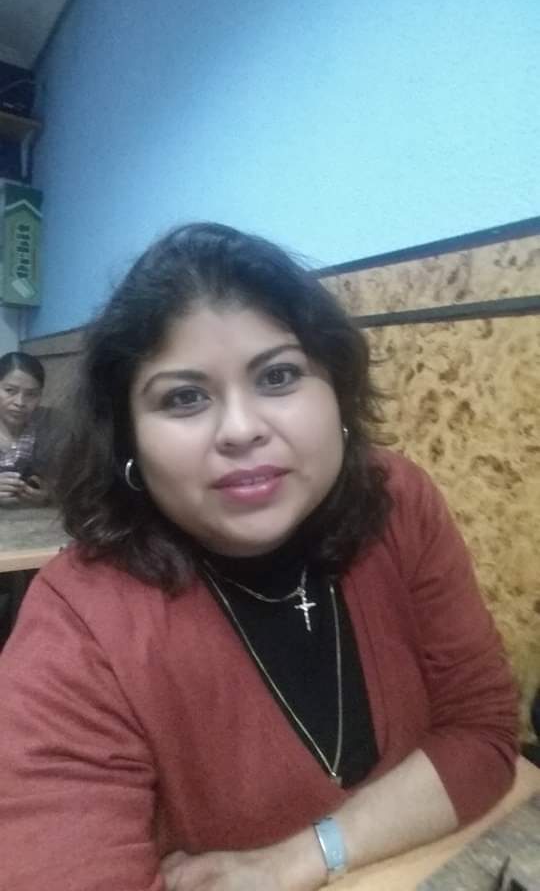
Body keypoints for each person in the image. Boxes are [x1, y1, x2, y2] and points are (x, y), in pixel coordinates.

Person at [0, 223, 518, 890]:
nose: (242, 429)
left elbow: (482, 732)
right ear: (127, 439)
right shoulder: (78, 626)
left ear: (338, 394)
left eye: (279, 376)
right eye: (184, 397)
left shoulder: (397, 503)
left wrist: (299, 858)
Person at [0, 350, 51, 505]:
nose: (20, 402)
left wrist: (50, 496)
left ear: (40, 396)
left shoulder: (55, 429)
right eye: (10, 391)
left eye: (31, 394)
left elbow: (80, 487)